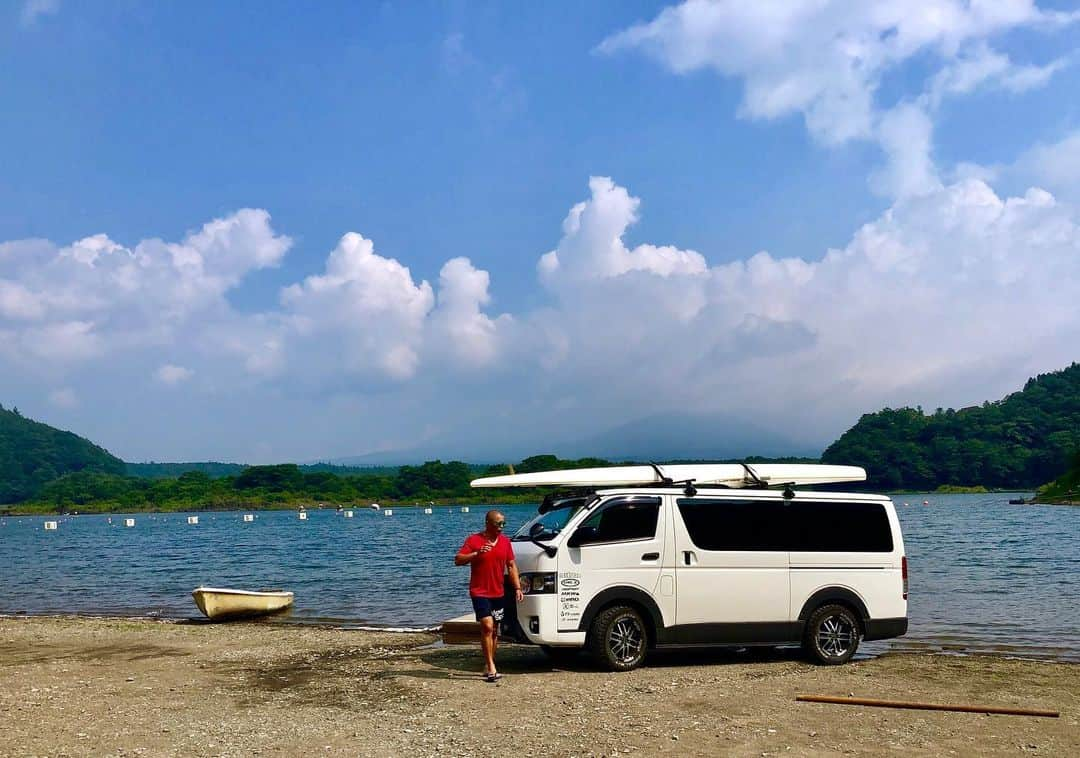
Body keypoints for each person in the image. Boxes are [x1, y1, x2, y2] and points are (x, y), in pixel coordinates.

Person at [454, 510, 523, 682]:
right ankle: (492, 667)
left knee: (494, 630)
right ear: (487, 523)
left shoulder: (505, 542)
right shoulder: (474, 540)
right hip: (479, 591)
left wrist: (517, 587)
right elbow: (458, 559)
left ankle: (488, 662)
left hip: (498, 591)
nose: (501, 527)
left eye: (503, 524)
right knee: (486, 625)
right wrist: (476, 554)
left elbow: (511, 565)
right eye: (498, 524)